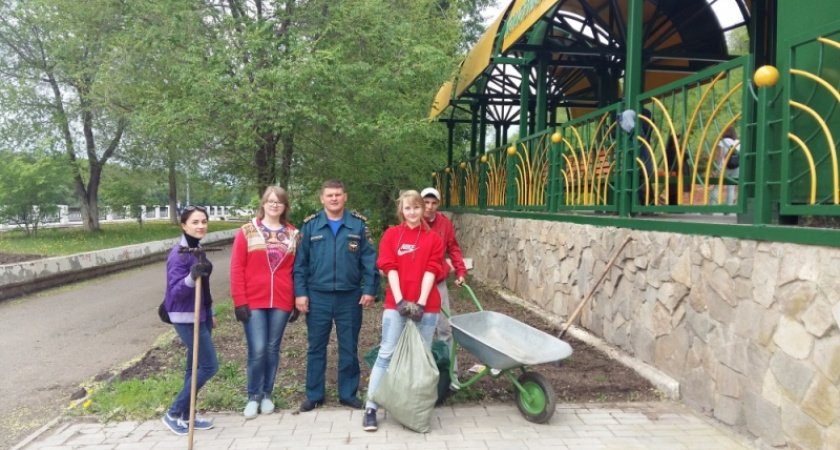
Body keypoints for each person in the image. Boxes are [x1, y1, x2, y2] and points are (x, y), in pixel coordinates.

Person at [363, 190, 447, 432]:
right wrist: (401, 302)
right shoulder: (392, 235)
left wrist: (420, 303)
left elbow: (432, 269)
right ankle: (371, 407)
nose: (412, 212)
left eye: (417, 207)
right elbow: (390, 268)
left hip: (427, 305)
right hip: (395, 304)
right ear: (402, 211)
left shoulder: (433, 239)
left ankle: (411, 408)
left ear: (424, 210)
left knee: (420, 358)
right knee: (386, 353)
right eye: (408, 208)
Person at [293, 179, 378, 412]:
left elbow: (369, 261)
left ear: (345, 197)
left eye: (338, 194)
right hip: (317, 296)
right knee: (316, 347)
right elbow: (300, 264)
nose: (334, 198)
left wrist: (370, 288)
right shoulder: (310, 227)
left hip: (349, 296)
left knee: (349, 346)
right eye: (329, 195)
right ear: (322, 198)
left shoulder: (358, 226)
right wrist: (300, 294)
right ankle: (314, 394)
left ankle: (348, 394)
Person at [230, 186, 299, 419]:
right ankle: (253, 396)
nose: (274, 205)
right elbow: (237, 267)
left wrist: (297, 297)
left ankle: (267, 394)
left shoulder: (293, 234)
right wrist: (239, 300)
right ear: (263, 204)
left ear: (284, 206)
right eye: (270, 201)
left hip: (282, 298)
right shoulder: (247, 231)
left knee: (272, 348)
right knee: (257, 349)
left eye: (278, 201)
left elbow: (298, 270)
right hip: (253, 299)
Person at [161, 206, 219, 435]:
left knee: (193, 367)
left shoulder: (197, 249)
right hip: (186, 317)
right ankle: (173, 413)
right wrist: (190, 278)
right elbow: (174, 293)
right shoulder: (178, 255)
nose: (201, 226)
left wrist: (210, 310)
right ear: (184, 225)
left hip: (202, 314)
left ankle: (187, 414)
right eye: (195, 222)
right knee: (209, 366)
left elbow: (204, 288)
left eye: (204, 221)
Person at [420, 187, 467, 382]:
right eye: (426, 202)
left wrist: (461, 271)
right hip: (416, 283)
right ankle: (422, 376)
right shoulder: (414, 222)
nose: (429, 207)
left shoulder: (444, 224)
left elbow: (453, 248)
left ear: (438, 204)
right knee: (418, 329)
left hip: (437, 283)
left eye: (433, 203)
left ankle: (451, 377)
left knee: (445, 328)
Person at [718, 126, 740, 206]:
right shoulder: (737, 142)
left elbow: (720, 156)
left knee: (716, 186)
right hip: (736, 167)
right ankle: (729, 208)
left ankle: (712, 207)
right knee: (731, 188)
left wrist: (715, 168)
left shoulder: (723, 141)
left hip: (724, 166)